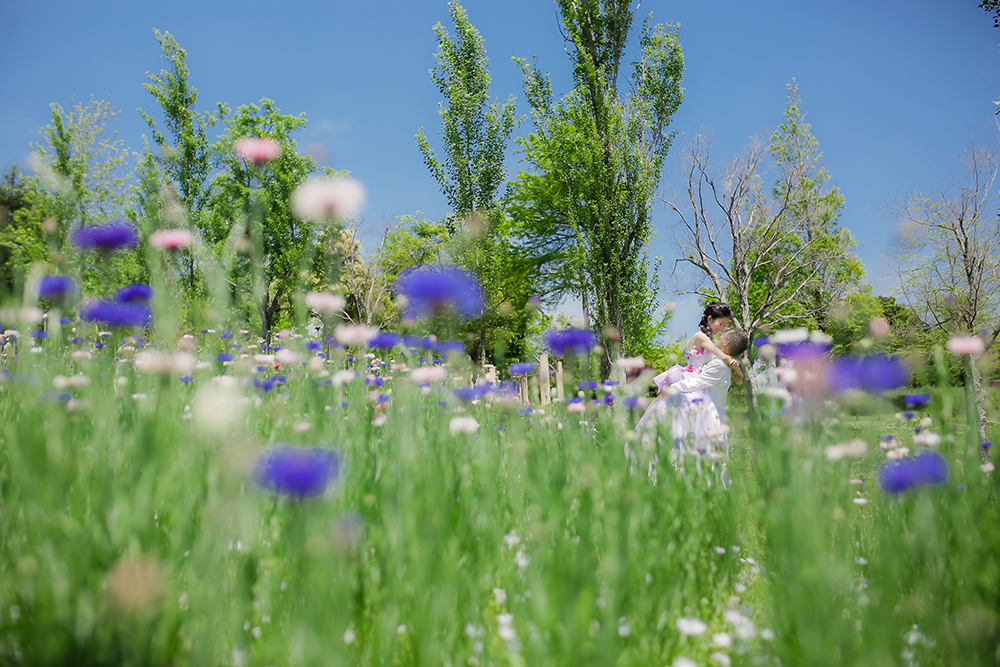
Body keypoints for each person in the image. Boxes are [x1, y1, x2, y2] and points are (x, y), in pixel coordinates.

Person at [636, 328, 750, 461]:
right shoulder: (721, 362)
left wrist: (669, 389)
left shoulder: (718, 365)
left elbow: (696, 383)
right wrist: (738, 370)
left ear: (726, 342)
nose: (720, 335)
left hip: (710, 420)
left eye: (724, 334)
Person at [654, 303, 743, 392]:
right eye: (721, 323)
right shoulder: (700, 337)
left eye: (725, 325)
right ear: (710, 319)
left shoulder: (710, 340)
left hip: (701, 382)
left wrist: (736, 365)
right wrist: (739, 372)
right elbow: (723, 356)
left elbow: (725, 357)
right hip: (692, 380)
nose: (722, 329)